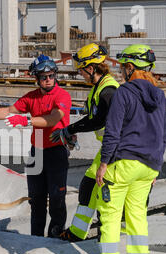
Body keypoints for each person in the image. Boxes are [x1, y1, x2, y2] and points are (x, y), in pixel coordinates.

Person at [84, 44, 166, 254]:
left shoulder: (124, 93)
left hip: (123, 165)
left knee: (109, 217)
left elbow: (113, 132)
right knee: (137, 217)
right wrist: (156, 168)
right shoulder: (160, 96)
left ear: (131, 68)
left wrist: (103, 164)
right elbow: (164, 136)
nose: (121, 73)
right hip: (148, 167)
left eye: (123, 68)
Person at [0, 55, 72, 237]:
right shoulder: (32, 97)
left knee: (56, 199)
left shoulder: (62, 96)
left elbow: (53, 118)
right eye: (44, 77)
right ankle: (36, 238)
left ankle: (55, 237)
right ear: (37, 78)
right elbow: (8, 111)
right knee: (36, 199)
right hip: (36, 152)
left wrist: (27, 120)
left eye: (51, 76)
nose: (48, 80)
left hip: (56, 152)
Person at [49, 43, 120, 241]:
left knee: (105, 194)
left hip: (115, 150)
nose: (80, 74)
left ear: (91, 68)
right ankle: (77, 232)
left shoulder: (108, 91)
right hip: (108, 148)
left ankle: (106, 235)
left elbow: (98, 120)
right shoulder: (100, 87)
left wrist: (70, 129)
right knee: (88, 187)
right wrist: (73, 131)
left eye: (81, 70)